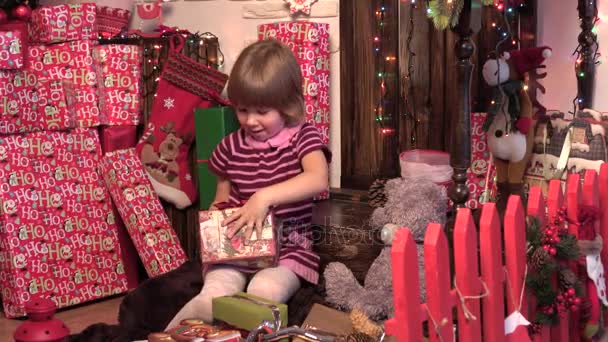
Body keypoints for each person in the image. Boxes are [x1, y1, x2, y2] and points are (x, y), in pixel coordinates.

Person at [167, 39, 331, 328]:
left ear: (287, 106)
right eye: (242, 110)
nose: (251, 121)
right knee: (213, 295)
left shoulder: (302, 136)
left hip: (288, 250)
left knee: (263, 292)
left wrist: (262, 197)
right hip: (238, 250)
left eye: (262, 111)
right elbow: (221, 197)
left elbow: (318, 178)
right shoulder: (231, 146)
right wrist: (217, 224)